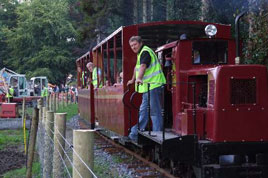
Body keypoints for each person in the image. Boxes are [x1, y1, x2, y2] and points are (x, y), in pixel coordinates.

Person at [127, 36, 166, 141]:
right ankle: (135, 132)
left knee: (154, 111)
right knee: (143, 110)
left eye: (135, 44)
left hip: (154, 84)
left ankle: (157, 134)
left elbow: (143, 66)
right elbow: (137, 67)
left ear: (140, 43)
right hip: (147, 87)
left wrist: (138, 78)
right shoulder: (140, 53)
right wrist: (132, 79)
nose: (133, 47)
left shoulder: (145, 51)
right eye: (131, 46)